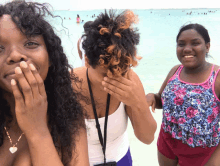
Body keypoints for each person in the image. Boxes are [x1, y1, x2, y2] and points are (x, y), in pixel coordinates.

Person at [0, 1, 89, 166]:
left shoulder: (69, 119)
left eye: (31, 44)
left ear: (51, 58)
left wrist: (37, 131)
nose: (15, 55)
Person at [72, 10, 157, 166]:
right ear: (87, 61)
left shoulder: (130, 79)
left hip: (121, 159)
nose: (116, 78)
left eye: (122, 70)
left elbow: (148, 138)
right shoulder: (70, 84)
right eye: (106, 73)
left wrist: (137, 103)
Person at [146, 23, 220, 166]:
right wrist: (152, 97)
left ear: (207, 46)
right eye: (181, 44)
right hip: (167, 143)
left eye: (195, 43)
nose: (186, 49)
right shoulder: (175, 71)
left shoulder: (216, 78)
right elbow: (161, 101)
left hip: (203, 152)